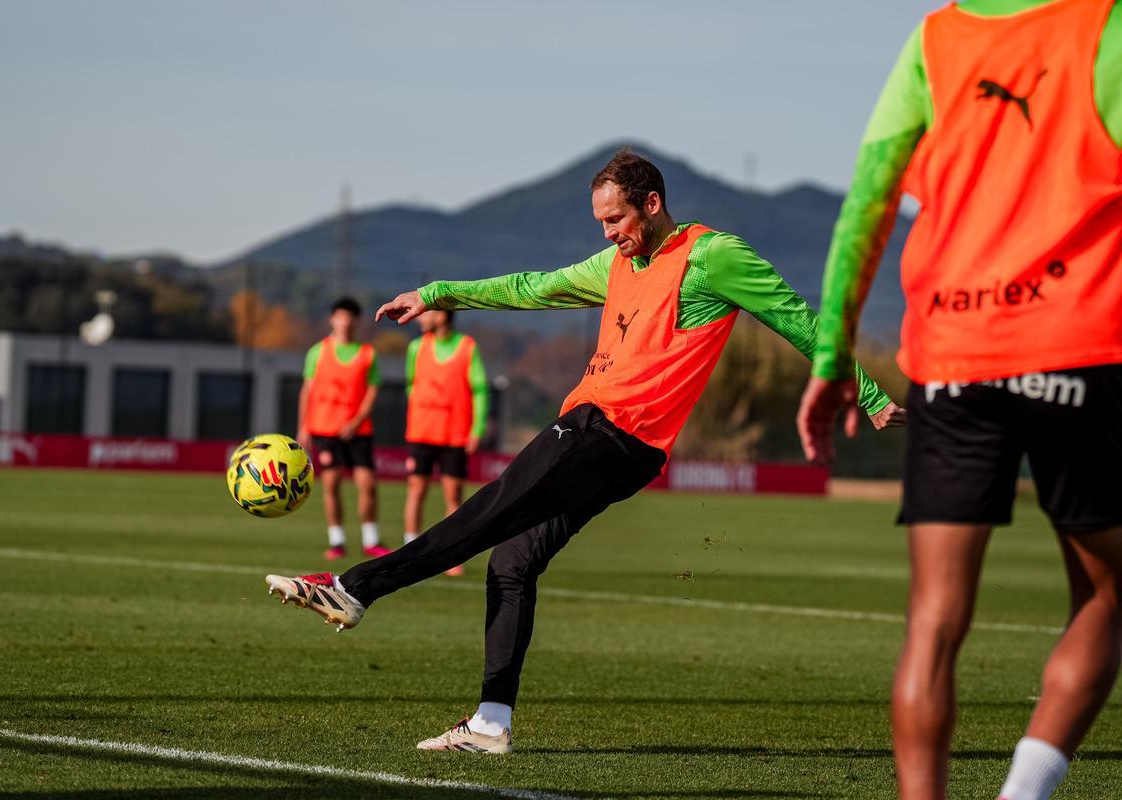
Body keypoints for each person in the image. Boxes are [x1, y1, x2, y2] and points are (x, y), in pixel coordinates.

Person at [269, 149, 904, 754]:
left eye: (616, 220)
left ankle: (356, 588)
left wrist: (868, 394)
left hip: (610, 431)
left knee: (490, 508)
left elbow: (801, 319)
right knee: (511, 562)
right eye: (600, 222)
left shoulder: (714, 256)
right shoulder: (617, 265)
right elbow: (531, 288)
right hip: (617, 444)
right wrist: (438, 294)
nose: (606, 234)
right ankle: (491, 721)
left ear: (652, 203)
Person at [796, 2, 1122, 798]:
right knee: (1112, 593)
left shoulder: (934, 38)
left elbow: (868, 202)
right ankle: (1023, 791)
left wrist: (835, 354)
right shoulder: (1106, 25)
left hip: (952, 353)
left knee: (934, 621)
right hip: (1078, 345)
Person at [297, 297, 392, 560]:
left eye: (350, 317)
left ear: (357, 321)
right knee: (331, 485)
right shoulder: (318, 351)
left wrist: (356, 421)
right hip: (324, 428)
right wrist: (303, 427)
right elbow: (308, 390)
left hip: (358, 431)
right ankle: (337, 540)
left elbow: (372, 391)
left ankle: (371, 539)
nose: (345, 321)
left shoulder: (367, 353)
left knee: (368, 484)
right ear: (332, 319)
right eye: (341, 316)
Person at [403, 309, 490, 577]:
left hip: (454, 433)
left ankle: (451, 556)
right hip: (421, 432)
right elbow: (411, 386)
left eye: (425, 312)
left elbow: (480, 389)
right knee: (416, 489)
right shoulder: (416, 347)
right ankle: (409, 552)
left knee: (453, 494)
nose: (419, 317)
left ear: (441, 315)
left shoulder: (467, 347)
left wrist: (477, 428)